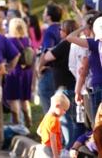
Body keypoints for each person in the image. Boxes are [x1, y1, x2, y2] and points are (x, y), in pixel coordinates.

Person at [39, 20, 79, 149]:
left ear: (67, 31)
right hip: (71, 85)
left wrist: (47, 51)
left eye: (61, 29)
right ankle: (68, 146)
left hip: (64, 88)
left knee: (65, 119)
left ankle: (68, 147)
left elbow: (48, 57)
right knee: (71, 119)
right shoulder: (75, 43)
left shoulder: (65, 44)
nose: (59, 31)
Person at [38, 3, 62, 113]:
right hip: (62, 71)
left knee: (49, 107)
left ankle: (51, 130)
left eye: (44, 13)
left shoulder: (50, 31)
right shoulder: (62, 28)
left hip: (50, 71)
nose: (43, 15)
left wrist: (40, 66)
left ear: (48, 16)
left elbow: (47, 51)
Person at [36, 92, 70, 158]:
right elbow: (53, 138)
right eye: (64, 110)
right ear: (57, 106)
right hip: (52, 150)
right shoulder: (55, 120)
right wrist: (55, 155)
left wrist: (46, 137)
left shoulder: (46, 116)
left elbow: (39, 131)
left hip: (44, 147)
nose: (65, 112)